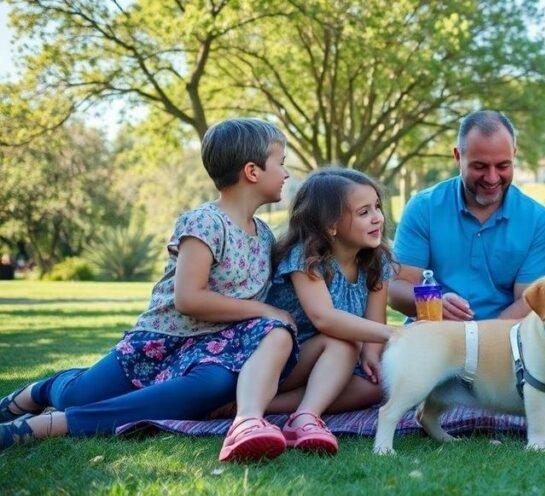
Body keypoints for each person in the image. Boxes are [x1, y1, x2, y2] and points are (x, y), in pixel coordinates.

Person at [0, 119, 300, 462]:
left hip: (216, 349)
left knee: (214, 387)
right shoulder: (205, 222)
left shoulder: (264, 236)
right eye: (281, 162)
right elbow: (189, 299)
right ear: (252, 171)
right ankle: (41, 390)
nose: (287, 173)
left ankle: (55, 425)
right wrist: (266, 312)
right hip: (161, 339)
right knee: (77, 396)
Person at [258, 167, 395, 455]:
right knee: (343, 341)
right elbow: (324, 318)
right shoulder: (306, 258)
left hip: (334, 364)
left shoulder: (375, 260)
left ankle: (264, 406)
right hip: (286, 360)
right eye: (363, 212)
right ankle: (306, 416)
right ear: (331, 225)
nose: (377, 218)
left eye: (377, 207)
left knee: (375, 387)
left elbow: (374, 324)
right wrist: (396, 334)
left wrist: (371, 356)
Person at [390, 110, 545, 321]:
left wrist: (478, 341)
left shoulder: (538, 220)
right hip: (433, 337)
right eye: (480, 166)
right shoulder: (423, 208)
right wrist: (434, 302)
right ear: (458, 157)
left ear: (514, 154)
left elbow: (528, 301)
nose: (492, 177)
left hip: (502, 340)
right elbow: (396, 289)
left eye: (503, 165)